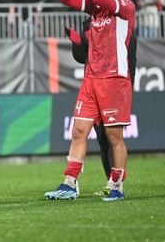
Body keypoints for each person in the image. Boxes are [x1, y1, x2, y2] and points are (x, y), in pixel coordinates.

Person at [45, 0, 135, 201]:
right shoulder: (97, 8)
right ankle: (69, 183)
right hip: (91, 79)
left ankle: (117, 186)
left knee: (114, 136)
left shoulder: (125, 6)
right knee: (78, 131)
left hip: (114, 79)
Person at [65, 14, 137, 196]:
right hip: (93, 85)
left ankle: (117, 184)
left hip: (114, 87)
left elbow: (130, 57)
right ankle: (106, 181)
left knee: (112, 137)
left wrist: (127, 85)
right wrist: (77, 42)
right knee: (101, 139)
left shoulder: (120, 22)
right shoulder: (89, 23)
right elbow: (83, 57)